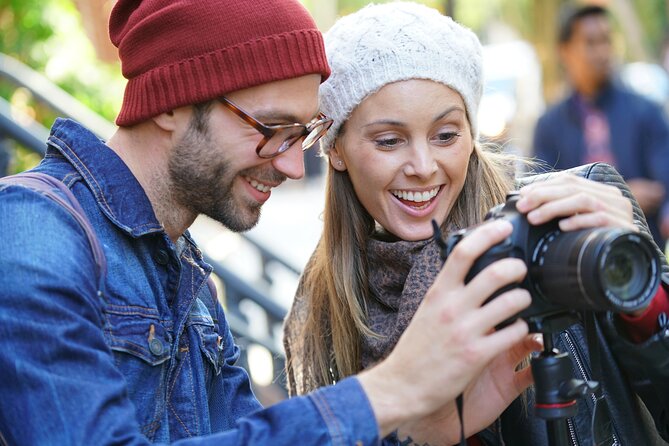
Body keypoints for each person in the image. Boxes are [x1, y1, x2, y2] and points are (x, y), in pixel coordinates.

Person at [0, 1, 539, 444]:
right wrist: (391, 390)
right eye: (274, 128)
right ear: (170, 102)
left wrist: (425, 429)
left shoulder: (183, 268)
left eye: (303, 134)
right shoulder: (32, 230)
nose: (292, 164)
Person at [283, 2, 669, 445]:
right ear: (336, 150)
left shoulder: (568, 224)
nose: (424, 166)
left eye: (446, 134)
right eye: (389, 141)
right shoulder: (327, 304)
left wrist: (642, 294)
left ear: (471, 133)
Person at [532, 4, 669, 251]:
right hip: (575, 256)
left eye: (607, 40)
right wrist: (623, 193)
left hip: (643, 250)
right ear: (565, 51)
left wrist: (580, 197)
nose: (603, 52)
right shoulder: (549, 126)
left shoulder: (646, 112)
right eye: (591, 42)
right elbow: (540, 196)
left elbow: (662, 186)